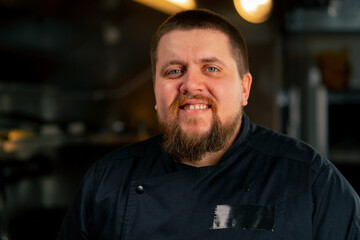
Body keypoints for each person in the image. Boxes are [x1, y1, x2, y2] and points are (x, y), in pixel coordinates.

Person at [58, 9, 360, 239]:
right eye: (174, 71)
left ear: (244, 88)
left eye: (211, 68)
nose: (191, 84)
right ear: (155, 92)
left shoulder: (310, 179)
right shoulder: (107, 182)